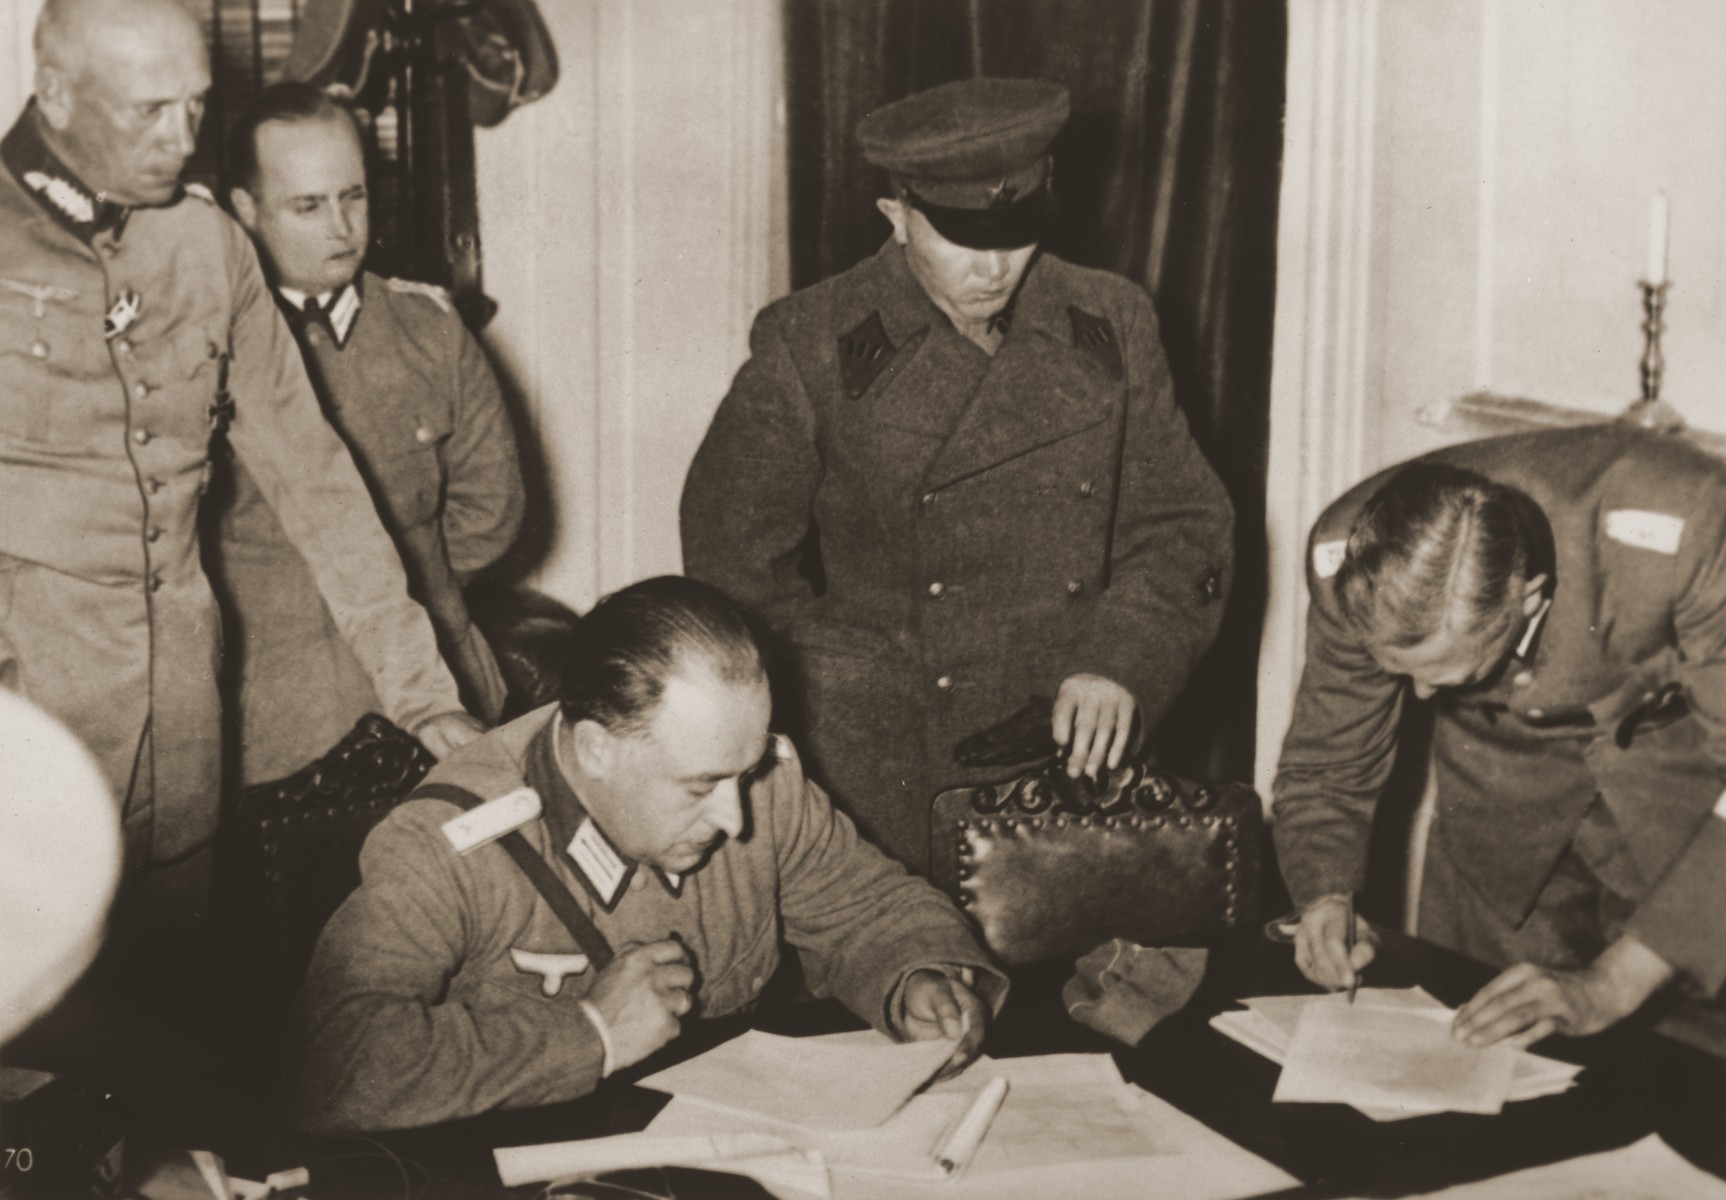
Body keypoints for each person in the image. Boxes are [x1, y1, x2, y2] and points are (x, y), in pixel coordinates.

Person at [0, 0, 479, 990]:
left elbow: (318, 482)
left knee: (163, 1030)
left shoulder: (208, 246)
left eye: (196, 105)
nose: (181, 140)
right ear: (53, 95)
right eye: (148, 110)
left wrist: (425, 699)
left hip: (185, 737)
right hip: (28, 740)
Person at [680, 78, 1234, 874]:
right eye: (963, 237)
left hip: (1075, 738)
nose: (995, 267)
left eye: (1017, 234)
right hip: (885, 763)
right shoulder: (811, 345)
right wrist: (828, 701)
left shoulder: (1111, 320)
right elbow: (732, 561)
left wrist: (1122, 661)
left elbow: (1182, 522)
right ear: (897, 216)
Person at [291, 576, 1004, 1133]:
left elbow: (866, 907)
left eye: (746, 771)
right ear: (597, 748)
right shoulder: (454, 845)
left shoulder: (754, 782)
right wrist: (589, 1034)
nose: (734, 814)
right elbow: (328, 1062)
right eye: (700, 786)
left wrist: (916, 974)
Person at [1274, 425, 1726, 1047]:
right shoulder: (1351, 554)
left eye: (1452, 674)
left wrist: (1613, 985)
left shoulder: (1686, 523)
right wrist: (1325, 898)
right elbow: (1330, 760)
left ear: (1528, 598)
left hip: (1680, 792)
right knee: (1479, 1046)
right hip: (1497, 804)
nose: (1424, 698)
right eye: (1405, 678)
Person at [219, 82, 524, 784]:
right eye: (308, 205)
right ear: (245, 209)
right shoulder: (215, 346)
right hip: (272, 710)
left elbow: (493, 509)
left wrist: (415, 581)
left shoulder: (430, 329)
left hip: (444, 685)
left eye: (353, 197)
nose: (341, 227)